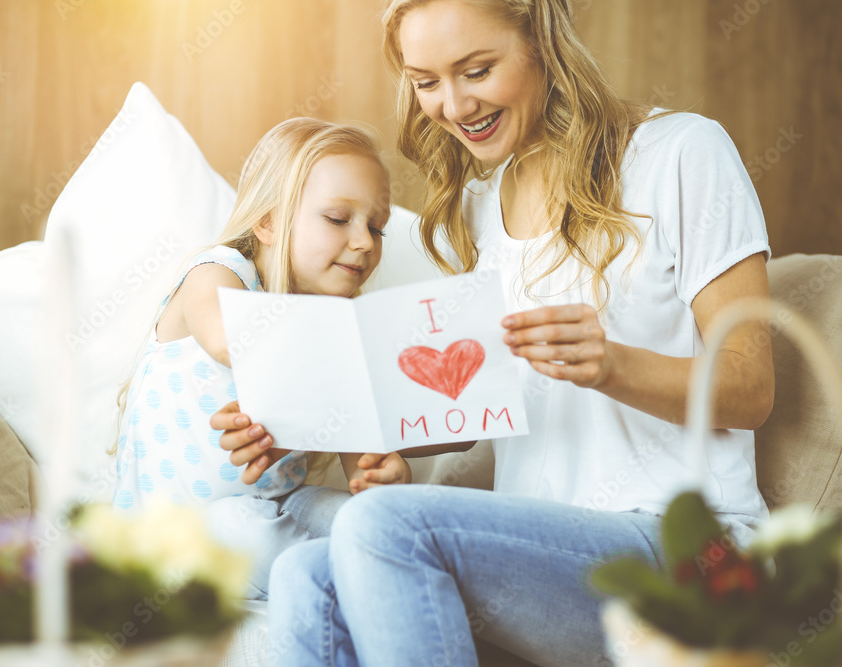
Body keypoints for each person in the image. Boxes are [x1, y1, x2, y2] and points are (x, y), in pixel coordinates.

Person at [212, 0, 775, 664]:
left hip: (685, 549)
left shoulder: (681, 152)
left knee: (380, 525)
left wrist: (611, 365)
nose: (452, 106)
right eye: (425, 82)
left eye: (475, 70)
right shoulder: (482, 206)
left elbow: (751, 387)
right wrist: (312, 422)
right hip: (546, 558)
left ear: (541, 40)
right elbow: (478, 404)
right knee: (302, 572)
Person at [111, 117, 413, 600]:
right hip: (179, 539)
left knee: (364, 519)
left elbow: (366, 468)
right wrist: (347, 355)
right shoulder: (217, 271)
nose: (364, 242)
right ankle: (366, 580)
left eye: (377, 228)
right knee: (241, 527)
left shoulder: (332, 331)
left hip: (278, 511)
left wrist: (386, 477)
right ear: (268, 220)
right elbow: (228, 340)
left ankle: (382, 569)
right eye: (338, 219)